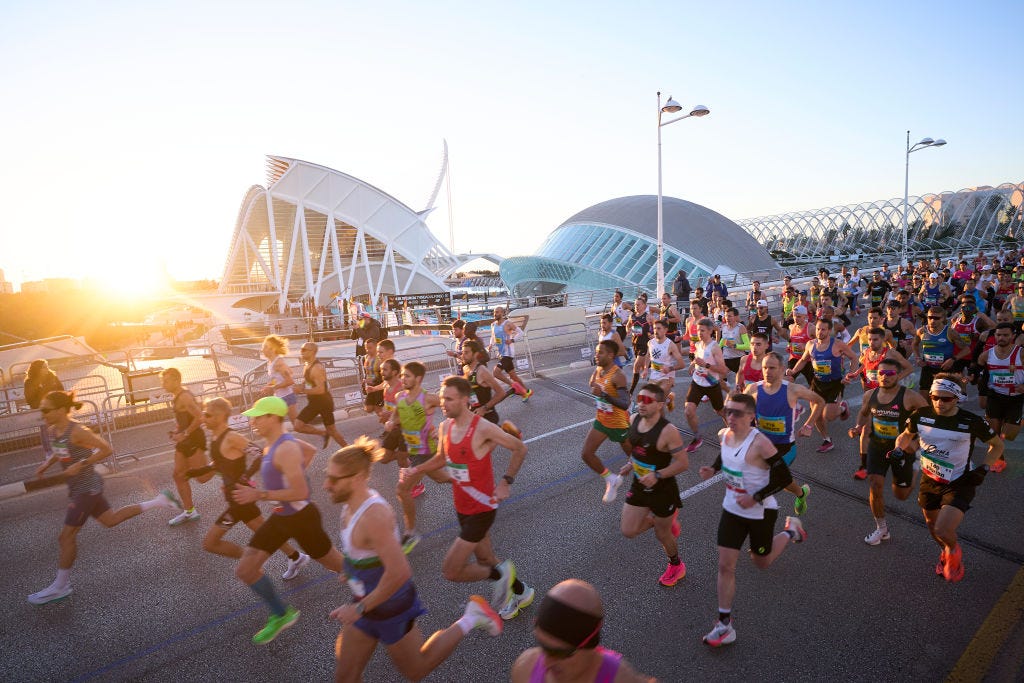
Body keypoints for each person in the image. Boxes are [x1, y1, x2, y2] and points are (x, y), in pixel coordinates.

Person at [327, 438, 503, 683]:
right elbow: (364, 552)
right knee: (346, 677)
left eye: (334, 479)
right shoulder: (350, 507)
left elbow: (400, 572)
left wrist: (358, 608)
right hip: (366, 602)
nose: (327, 484)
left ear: (356, 478)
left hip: (391, 606)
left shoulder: (373, 516)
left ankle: (472, 617)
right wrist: (350, 569)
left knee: (416, 670)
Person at [27, 390, 182, 605]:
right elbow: (61, 450)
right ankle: (159, 501)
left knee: (65, 537)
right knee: (111, 520)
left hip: (87, 488)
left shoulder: (78, 431)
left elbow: (107, 449)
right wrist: (48, 463)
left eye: (45, 409)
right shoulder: (54, 430)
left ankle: (60, 586)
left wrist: (81, 465)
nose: (41, 413)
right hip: (79, 487)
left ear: (61, 410)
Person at [400, 376, 533, 620]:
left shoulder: (481, 427)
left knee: (451, 570)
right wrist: (415, 469)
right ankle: (521, 592)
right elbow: (441, 457)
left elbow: (519, 448)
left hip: (482, 507)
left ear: (464, 400)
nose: (443, 403)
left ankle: (501, 577)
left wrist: (505, 482)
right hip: (462, 506)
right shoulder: (445, 427)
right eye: (441, 398)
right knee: (485, 558)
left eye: (449, 399)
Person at [232, 396, 346, 644]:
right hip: (281, 517)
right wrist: (290, 474)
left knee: (338, 566)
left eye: (259, 416)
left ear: (274, 418)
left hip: (302, 519)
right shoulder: (276, 444)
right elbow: (311, 450)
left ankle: (378, 589)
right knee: (245, 569)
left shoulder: (285, 448)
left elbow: (301, 492)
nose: (253, 421)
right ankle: (281, 614)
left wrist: (259, 494)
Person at [698, 392, 807, 647]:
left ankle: (791, 531)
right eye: (728, 411)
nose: (731, 417)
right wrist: (712, 469)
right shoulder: (725, 436)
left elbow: (783, 477)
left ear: (751, 417)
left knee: (762, 561)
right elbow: (724, 454)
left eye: (737, 413)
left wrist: (756, 496)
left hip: (761, 511)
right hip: (732, 510)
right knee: (726, 565)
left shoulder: (760, 444)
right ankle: (725, 625)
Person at [893, 374, 1003, 582]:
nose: (939, 403)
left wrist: (985, 467)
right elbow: (906, 435)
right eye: (935, 397)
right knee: (932, 525)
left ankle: (953, 550)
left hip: (959, 482)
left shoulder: (971, 421)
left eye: (946, 399)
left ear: (957, 398)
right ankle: (946, 551)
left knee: (943, 529)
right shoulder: (920, 415)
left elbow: (997, 445)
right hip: (929, 479)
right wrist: (899, 448)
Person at [185, 397, 311, 578]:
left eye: (207, 415)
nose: (203, 418)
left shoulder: (232, 437)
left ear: (220, 416)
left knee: (210, 543)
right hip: (236, 497)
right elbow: (219, 462)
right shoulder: (215, 437)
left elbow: (261, 454)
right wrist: (196, 472)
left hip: (239, 500)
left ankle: (252, 561)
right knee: (264, 531)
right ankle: (295, 556)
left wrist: (245, 477)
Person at [510, 579, 656, 683]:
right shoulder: (525, 668)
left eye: (559, 653)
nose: (546, 663)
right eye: (542, 645)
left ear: (590, 645)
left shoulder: (620, 678)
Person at [617, 383, 689, 586]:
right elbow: (637, 450)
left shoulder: (668, 431)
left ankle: (676, 565)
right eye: (639, 398)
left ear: (659, 405)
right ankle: (664, 520)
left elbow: (683, 463)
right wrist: (631, 464)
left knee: (662, 534)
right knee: (628, 530)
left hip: (663, 491)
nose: (641, 403)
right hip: (639, 485)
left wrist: (657, 475)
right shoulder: (633, 420)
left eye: (647, 400)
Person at [390, 361, 443, 546]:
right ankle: (469, 480)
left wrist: (442, 430)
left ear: (418, 379)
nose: (402, 378)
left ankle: (410, 533)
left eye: (407, 376)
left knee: (402, 490)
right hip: (413, 450)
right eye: (402, 375)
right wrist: (391, 421)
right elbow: (396, 413)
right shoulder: (399, 397)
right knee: (442, 478)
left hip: (426, 451)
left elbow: (453, 405)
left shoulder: (429, 398)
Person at [788, 319, 860, 453]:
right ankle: (827, 440)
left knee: (829, 416)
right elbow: (803, 360)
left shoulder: (838, 344)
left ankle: (842, 408)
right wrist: (793, 371)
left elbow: (854, 358)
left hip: (834, 384)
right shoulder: (810, 344)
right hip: (817, 383)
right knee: (817, 415)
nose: (820, 332)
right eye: (818, 329)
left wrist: (850, 374)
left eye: (823, 329)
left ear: (829, 331)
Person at [581, 340, 634, 504]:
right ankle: (611, 479)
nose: (596, 355)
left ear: (611, 355)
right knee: (586, 454)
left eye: (600, 352)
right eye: (596, 352)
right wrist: (595, 387)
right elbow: (593, 383)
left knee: (636, 460)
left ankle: (651, 483)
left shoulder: (618, 375)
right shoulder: (599, 369)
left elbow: (625, 403)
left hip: (619, 424)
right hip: (602, 420)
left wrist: (603, 395)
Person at [160, 367, 208, 526]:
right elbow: (184, 419)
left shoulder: (185, 397)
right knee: (178, 475)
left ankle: (220, 464)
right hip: (184, 441)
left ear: (176, 380)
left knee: (201, 477)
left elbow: (200, 417)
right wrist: (177, 431)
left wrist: (185, 433)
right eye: (162, 381)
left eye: (166, 381)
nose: (163, 384)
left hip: (193, 439)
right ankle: (189, 511)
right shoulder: (177, 397)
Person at [975, 322, 1023, 473]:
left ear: (1013, 336)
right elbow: (978, 369)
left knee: (1008, 434)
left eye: (1005, 335)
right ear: (994, 336)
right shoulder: (987, 355)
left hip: (1015, 398)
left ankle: (1016, 421)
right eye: (998, 335)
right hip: (995, 396)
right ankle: (998, 459)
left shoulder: (1020, 353)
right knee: (994, 432)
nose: (1001, 338)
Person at [683, 318, 729, 453]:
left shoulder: (714, 347)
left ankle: (734, 434)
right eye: (698, 330)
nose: (699, 333)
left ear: (710, 331)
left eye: (702, 331)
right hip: (697, 382)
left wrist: (706, 365)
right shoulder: (698, 345)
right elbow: (698, 359)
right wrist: (693, 365)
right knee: (688, 411)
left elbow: (723, 370)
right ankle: (697, 437)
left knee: (720, 411)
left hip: (711, 383)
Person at [293, 342, 349, 450]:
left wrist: (301, 390)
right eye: (301, 349)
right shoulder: (307, 365)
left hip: (323, 402)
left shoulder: (317, 367)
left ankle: (351, 451)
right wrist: (300, 385)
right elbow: (308, 380)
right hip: (314, 402)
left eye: (304, 350)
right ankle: (323, 433)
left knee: (332, 430)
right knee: (298, 426)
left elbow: (321, 390)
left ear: (313, 352)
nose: (301, 352)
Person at [912, 306, 967, 400]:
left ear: (943, 319)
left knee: (943, 398)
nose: (933, 320)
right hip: (927, 368)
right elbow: (914, 345)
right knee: (924, 399)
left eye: (936, 318)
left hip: (945, 369)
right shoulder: (921, 331)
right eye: (930, 317)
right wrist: (917, 358)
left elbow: (966, 350)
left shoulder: (950, 332)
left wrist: (953, 359)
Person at [489, 306, 532, 400]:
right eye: (494, 312)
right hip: (501, 353)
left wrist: (512, 340)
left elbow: (520, 333)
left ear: (502, 313)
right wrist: (490, 345)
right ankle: (526, 392)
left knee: (496, 373)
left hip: (508, 354)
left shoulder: (508, 324)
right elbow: (493, 336)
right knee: (513, 376)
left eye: (497, 312)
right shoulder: (493, 325)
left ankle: (514, 387)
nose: (495, 314)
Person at [24, 358, 63, 457]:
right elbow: (29, 399)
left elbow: (61, 389)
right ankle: (49, 452)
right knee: (45, 431)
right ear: (38, 369)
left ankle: (61, 450)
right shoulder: (30, 382)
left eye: (47, 366)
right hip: (42, 410)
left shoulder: (52, 376)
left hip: (56, 408)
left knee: (60, 428)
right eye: (44, 367)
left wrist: (59, 401)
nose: (47, 369)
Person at [647, 318, 686, 411]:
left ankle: (660, 423)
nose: (656, 331)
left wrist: (669, 369)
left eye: (659, 328)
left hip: (666, 377)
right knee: (651, 399)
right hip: (654, 375)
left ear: (665, 330)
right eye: (654, 328)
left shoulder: (670, 345)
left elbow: (682, 364)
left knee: (658, 404)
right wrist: (645, 368)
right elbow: (648, 355)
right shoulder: (650, 342)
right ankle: (669, 398)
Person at [260, 335, 298, 422]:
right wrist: (269, 386)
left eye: (265, 347)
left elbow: (290, 381)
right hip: (279, 398)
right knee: (293, 425)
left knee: (297, 426)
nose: (262, 349)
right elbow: (279, 377)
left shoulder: (278, 362)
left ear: (272, 349)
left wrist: (273, 388)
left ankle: (321, 432)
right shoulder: (272, 362)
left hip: (287, 397)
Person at [627, 297, 654, 396]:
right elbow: (628, 326)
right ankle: (652, 383)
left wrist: (652, 334)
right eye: (635, 305)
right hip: (635, 344)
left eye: (638, 305)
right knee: (643, 367)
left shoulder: (649, 317)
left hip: (645, 345)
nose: (636, 306)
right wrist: (628, 330)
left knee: (636, 366)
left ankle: (630, 392)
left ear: (644, 305)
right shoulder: (632, 316)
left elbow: (655, 328)